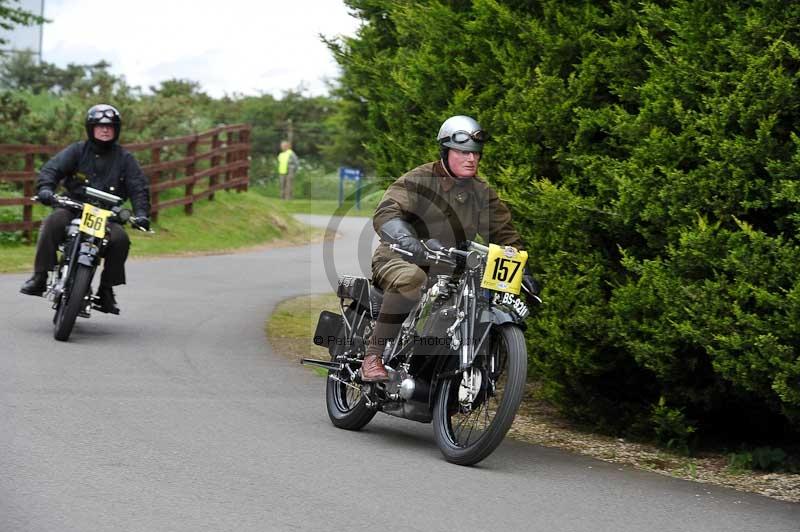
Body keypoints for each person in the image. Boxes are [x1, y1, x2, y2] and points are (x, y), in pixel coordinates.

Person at [362, 115, 538, 381]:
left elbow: (504, 234)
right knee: (412, 279)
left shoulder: (481, 191)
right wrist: (405, 237)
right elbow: (387, 211)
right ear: (445, 151)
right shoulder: (420, 179)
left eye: (476, 153)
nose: (471, 159)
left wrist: (522, 269)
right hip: (402, 256)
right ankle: (372, 356)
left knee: (475, 300)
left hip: (450, 266)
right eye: (463, 152)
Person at [19, 103, 151, 314]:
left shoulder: (125, 159)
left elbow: (138, 188)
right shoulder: (77, 150)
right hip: (73, 206)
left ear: (116, 130)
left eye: (110, 126)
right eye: (100, 126)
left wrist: (142, 214)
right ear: (91, 129)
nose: (105, 130)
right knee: (52, 223)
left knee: (121, 240)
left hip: (107, 215)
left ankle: (106, 290)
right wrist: (45, 189)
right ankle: (40, 277)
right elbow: (52, 169)